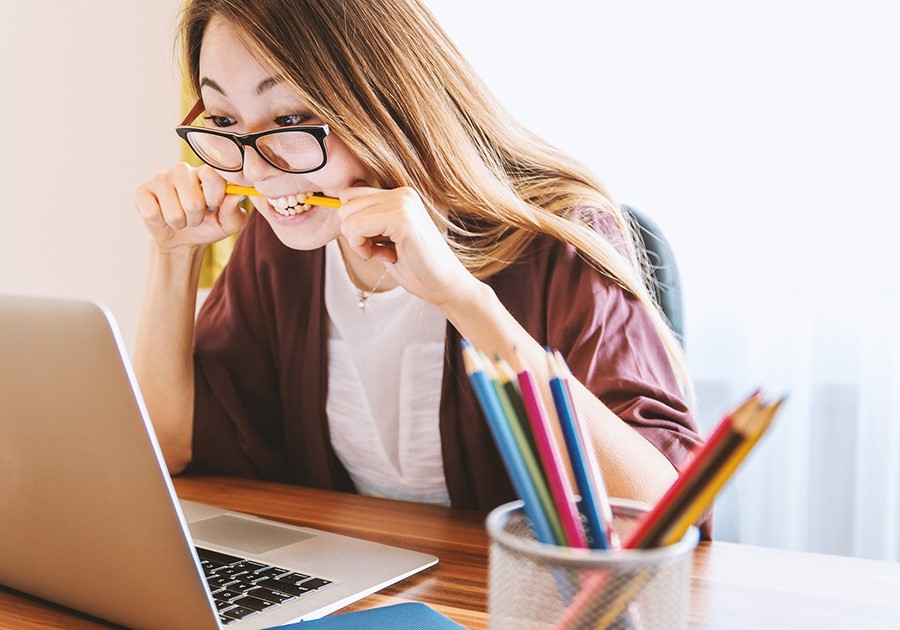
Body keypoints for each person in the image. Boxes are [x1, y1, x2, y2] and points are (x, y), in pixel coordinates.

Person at [134, 0, 705, 526]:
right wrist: (174, 255)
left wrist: (460, 297)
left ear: (384, 100)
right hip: (360, 592)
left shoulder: (558, 238)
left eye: (289, 120)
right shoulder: (283, 246)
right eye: (225, 121)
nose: (256, 171)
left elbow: (663, 513)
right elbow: (168, 445)